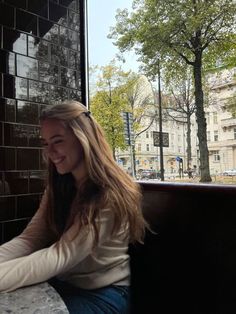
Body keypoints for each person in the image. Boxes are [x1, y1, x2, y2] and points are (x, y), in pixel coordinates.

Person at [0, 101, 147, 313]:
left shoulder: (109, 193)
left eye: (58, 141)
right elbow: (29, 239)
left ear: (83, 139)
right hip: (63, 285)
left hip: (104, 295)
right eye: (45, 143)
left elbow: (61, 256)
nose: (50, 151)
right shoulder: (59, 186)